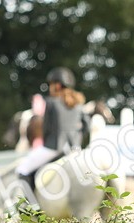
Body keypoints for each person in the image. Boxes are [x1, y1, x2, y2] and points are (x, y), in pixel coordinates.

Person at [15, 67, 87, 202]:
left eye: (51, 84)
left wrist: (45, 142)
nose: (50, 87)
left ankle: (32, 206)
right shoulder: (78, 104)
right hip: (75, 150)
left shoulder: (51, 102)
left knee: (22, 169)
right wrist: (77, 139)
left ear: (58, 85)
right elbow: (86, 125)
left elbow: (47, 128)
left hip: (54, 147)